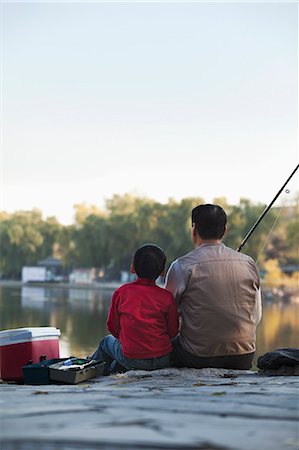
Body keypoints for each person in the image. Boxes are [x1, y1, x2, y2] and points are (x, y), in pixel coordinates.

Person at [165, 204, 262, 370]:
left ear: (193, 229)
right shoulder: (248, 263)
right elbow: (257, 315)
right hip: (244, 356)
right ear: (224, 230)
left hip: (196, 356)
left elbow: (164, 314)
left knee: (157, 347)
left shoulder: (181, 266)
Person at [92, 244, 179, 374]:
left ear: (132, 268)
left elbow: (113, 328)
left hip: (132, 359)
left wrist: (129, 339)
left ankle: (97, 374)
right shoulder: (167, 297)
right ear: (162, 272)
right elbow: (173, 331)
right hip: (163, 359)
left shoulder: (122, 293)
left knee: (106, 342)